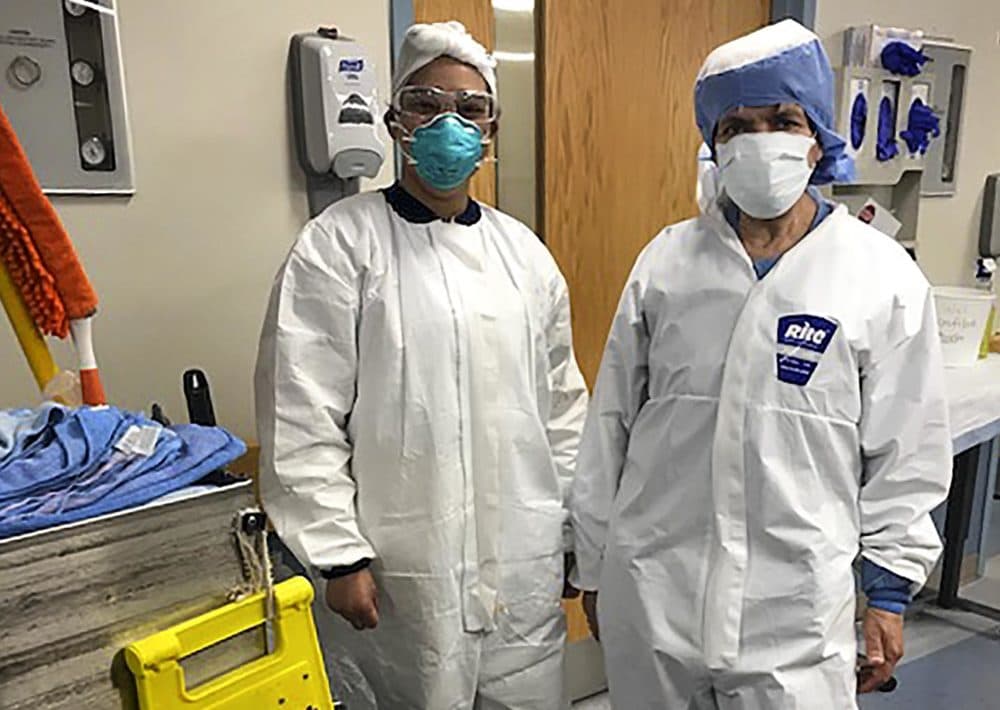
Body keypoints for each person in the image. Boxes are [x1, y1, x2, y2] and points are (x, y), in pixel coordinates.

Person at [569, 19, 952, 710]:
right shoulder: (666, 264)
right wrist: (594, 566)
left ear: (816, 137)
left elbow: (906, 452)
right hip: (656, 595)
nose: (759, 141)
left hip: (796, 616)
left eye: (782, 119)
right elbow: (611, 426)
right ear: (713, 144)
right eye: (736, 126)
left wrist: (889, 591)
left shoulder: (878, 278)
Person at [255, 21, 588, 710]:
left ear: (491, 128)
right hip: (400, 572)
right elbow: (301, 412)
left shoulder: (524, 257)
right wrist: (337, 555)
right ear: (394, 119)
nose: (448, 124)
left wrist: (573, 537)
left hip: (520, 563)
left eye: (469, 109)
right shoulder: (339, 246)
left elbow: (561, 409)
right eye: (426, 104)